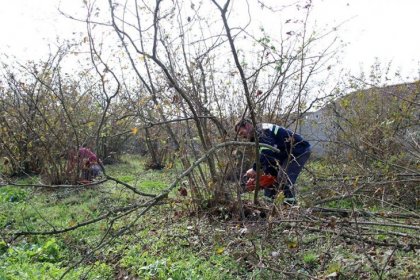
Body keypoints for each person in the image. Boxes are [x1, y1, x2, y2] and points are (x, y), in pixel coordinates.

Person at [235, 118, 311, 204]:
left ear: (247, 126)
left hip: (299, 150)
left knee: (284, 178)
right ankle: (268, 205)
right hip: (284, 154)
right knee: (270, 177)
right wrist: (263, 177)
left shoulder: (263, 131)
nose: (242, 137)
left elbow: (266, 153)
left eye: (241, 133)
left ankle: (290, 207)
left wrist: (255, 169)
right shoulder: (258, 135)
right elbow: (269, 158)